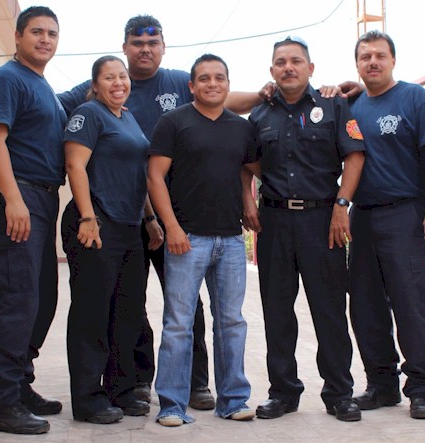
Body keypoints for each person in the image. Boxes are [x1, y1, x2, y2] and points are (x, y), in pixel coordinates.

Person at [58, 15, 269, 409]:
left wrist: (264, 95)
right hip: (113, 219)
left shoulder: (173, 83)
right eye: (136, 43)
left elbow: (223, 99)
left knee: (185, 304)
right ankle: (134, 382)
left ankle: (196, 383)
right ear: (124, 48)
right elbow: (57, 118)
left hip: (167, 217)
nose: (144, 50)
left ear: (163, 47)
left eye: (152, 43)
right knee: (125, 307)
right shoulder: (96, 98)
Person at [242, 36, 365, 422]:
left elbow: (355, 156)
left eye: (296, 61)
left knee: (329, 310)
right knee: (277, 312)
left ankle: (339, 393)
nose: (288, 67)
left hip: (322, 220)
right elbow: (247, 163)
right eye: (280, 62)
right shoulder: (259, 115)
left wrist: (342, 206)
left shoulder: (333, 104)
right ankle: (283, 393)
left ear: (311, 69)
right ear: (272, 71)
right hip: (275, 221)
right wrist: (249, 201)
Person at [148, 54, 255, 427]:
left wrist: (249, 201)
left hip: (230, 238)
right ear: (191, 86)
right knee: (178, 322)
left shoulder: (241, 127)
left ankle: (233, 399)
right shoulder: (173, 122)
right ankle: (172, 405)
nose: (213, 84)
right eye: (204, 79)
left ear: (227, 84)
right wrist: (172, 227)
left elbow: (248, 169)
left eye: (220, 78)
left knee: (231, 321)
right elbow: (155, 177)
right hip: (187, 238)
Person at [346, 30, 425, 420]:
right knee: (366, 306)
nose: (372, 62)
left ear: (393, 60)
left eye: (379, 55)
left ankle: (421, 388)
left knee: (412, 306)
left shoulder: (413, 97)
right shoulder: (353, 105)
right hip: (364, 217)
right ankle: (382, 385)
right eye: (365, 56)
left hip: (406, 215)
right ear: (357, 64)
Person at [0, 6, 65, 435]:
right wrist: (14, 200)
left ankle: (21, 384)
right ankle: (3, 403)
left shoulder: (42, 86)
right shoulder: (6, 79)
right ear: (17, 36)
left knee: (40, 299)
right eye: (36, 32)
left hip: (42, 201)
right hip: (18, 196)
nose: (45, 39)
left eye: (51, 33)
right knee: (15, 301)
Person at [61, 55, 153, 424]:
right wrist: (87, 216)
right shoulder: (89, 115)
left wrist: (150, 219)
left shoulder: (126, 117)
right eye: (109, 77)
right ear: (95, 84)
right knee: (92, 313)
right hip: (96, 222)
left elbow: (139, 172)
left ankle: (122, 388)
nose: (119, 82)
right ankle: (87, 398)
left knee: (127, 311)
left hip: (130, 226)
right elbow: (74, 165)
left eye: (123, 76)